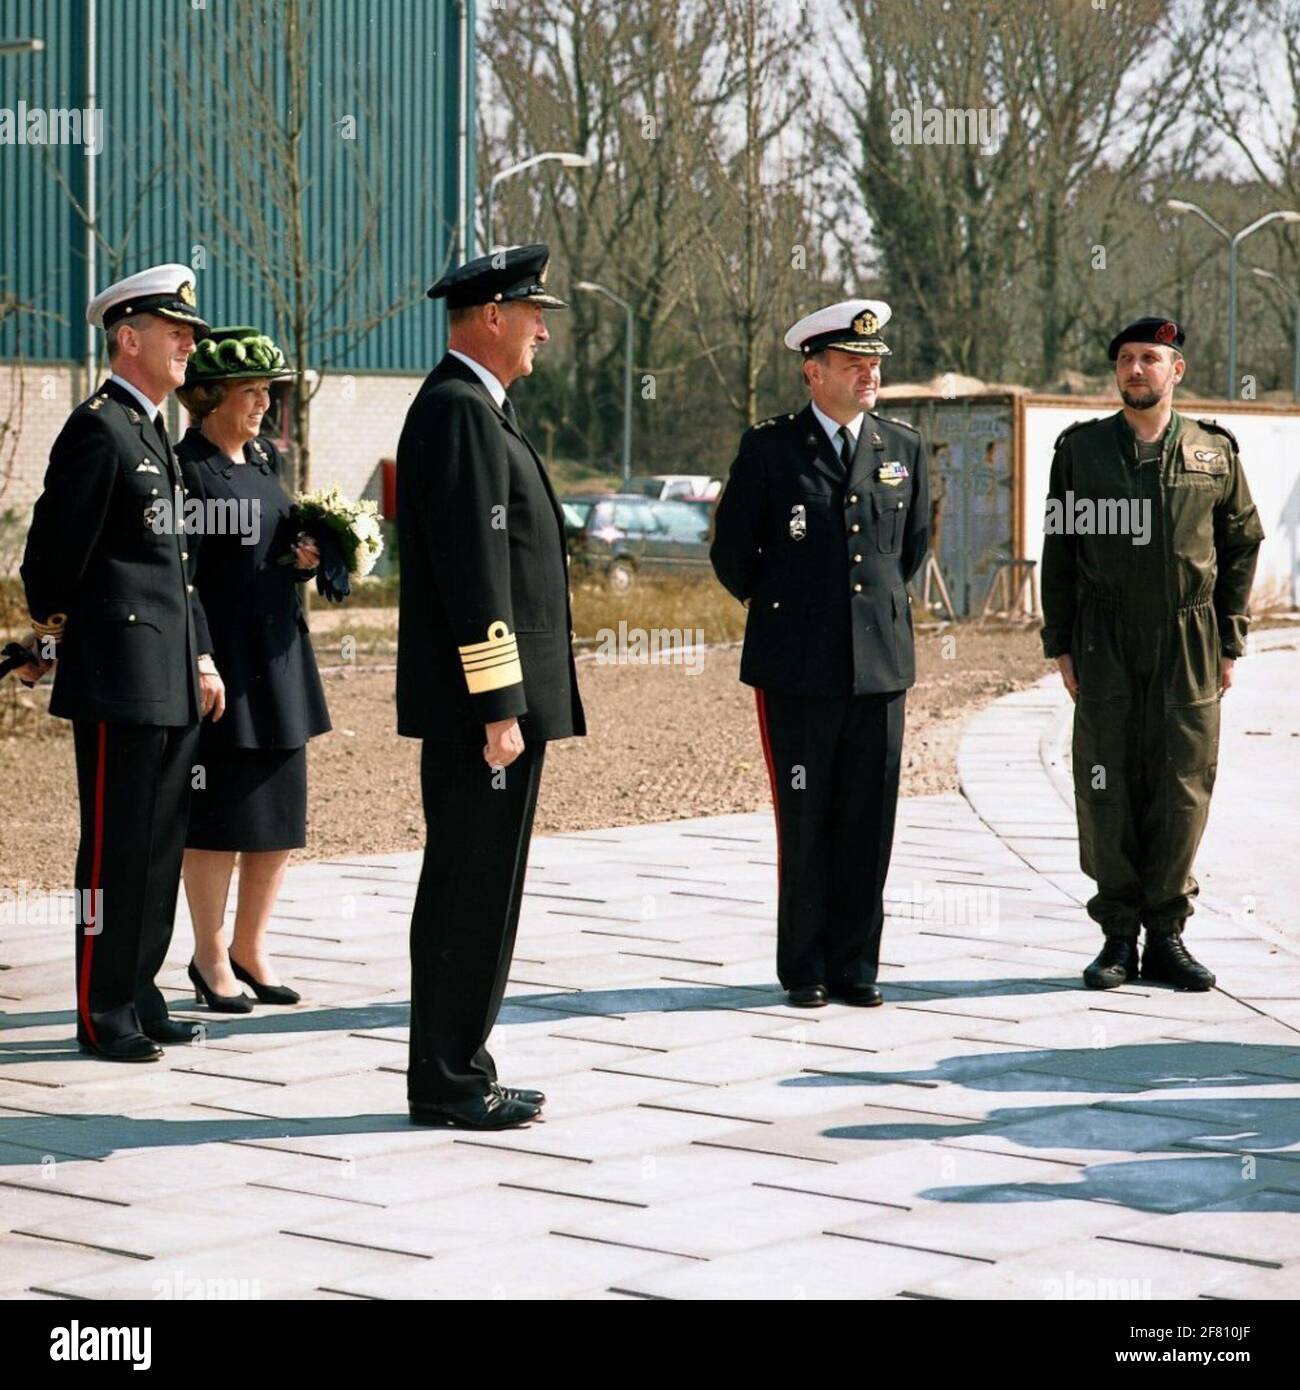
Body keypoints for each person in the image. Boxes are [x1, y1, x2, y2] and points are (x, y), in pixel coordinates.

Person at [396, 243, 585, 1130]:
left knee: (483, 886)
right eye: (533, 311)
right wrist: (499, 706)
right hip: (486, 711)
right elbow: (476, 572)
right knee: (470, 887)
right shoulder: (462, 410)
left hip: (494, 704)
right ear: (491, 317)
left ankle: (461, 1062)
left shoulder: (477, 406)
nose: (545, 328)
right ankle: (448, 1079)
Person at [16, 264, 218, 1061]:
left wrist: (200, 655)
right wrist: (65, 639)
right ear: (127, 338)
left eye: (191, 334)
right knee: (112, 848)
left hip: (167, 672)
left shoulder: (155, 432)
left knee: (160, 842)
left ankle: (140, 987)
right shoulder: (97, 429)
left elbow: (176, 567)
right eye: (175, 332)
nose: (187, 345)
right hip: (118, 675)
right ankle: (101, 1009)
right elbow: (51, 562)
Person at [710, 300, 929, 1008]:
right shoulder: (771, 449)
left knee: (870, 818)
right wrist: (791, 613)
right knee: (805, 818)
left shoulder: (903, 447)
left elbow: (910, 551)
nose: (870, 374)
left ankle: (856, 966)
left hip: (880, 666)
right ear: (813, 371)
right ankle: (804, 966)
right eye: (853, 362)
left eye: (875, 363)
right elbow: (733, 556)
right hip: (797, 668)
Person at [1041, 317, 1264, 991]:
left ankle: (1166, 935)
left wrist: (1229, 636)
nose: (1136, 370)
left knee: (1182, 783)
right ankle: (1117, 938)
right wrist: (1061, 641)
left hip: (1188, 638)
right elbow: (1060, 549)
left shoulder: (1213, 451)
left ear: (1176, 371)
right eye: (1127, 360)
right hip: (1106, 638)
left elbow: (1243, 542)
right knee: (1106, 782)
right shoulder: (1082, 451)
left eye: (1150, 359)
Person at [175, 326, 332, 1012]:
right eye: (251, 391)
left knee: (276, 818)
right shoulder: (187, 472)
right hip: (224, 671)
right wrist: (201, 656)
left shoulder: (265, 459)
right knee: (218, 821)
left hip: (281, 663)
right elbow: (183, 581)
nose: (264, 403)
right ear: (210, 397)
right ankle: (209, 959)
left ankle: (251, 948)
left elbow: (269, 547)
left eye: (268, 390)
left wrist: (305, 559)